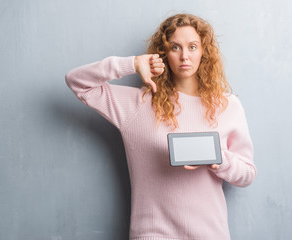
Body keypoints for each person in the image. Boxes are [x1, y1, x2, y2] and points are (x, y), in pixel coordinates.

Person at [65, 13, 256, 240]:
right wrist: (132, 64)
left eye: (193, 47)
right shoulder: (138, 104)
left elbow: (247, 175)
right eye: (175, 47)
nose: (184, 56)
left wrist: (219, 159)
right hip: (152, 234)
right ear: (164, 54)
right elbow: (77, 82)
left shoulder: (228, 106)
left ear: (204, 51)